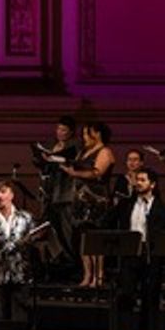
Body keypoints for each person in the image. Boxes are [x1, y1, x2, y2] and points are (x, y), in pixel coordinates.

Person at [101, 168, 165, 330]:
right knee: (123, 298)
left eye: (142, 180)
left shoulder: (163, 209)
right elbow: (106, 221)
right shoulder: (126, 204)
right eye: (136, 180)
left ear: (152, 184)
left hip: (151, 259)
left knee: (149, 303)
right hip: (129, 256)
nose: (138, 183)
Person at [62, 121, 117, 287]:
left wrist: (74, 172)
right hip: (81, 200)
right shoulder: (84, 151)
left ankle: (99, 276)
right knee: (82, 238)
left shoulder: (105, 151)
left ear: (98, 134)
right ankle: (87, 275)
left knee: (95, 239)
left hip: (96, 200)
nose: (85, 138)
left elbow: (97, 173)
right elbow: (75, 167)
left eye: (88, 134)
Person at [0, 179, 37, 324]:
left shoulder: (26, 218)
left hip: (20, 273)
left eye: (3, 192)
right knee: (3, 314)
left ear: (11, 195)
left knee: (20, 316)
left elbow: (35, 241)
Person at [34, 115, 80, 277]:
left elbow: (74, 164)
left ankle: (71, 260)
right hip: (49, 191)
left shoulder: (75, 146)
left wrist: (55, 158)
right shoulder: (51, 145)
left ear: (71, 132)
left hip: (65, 192)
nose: (60, 132)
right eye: (58, 129)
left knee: (66, 228)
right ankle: (56, 258)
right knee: (48, 226)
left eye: (64, 130)